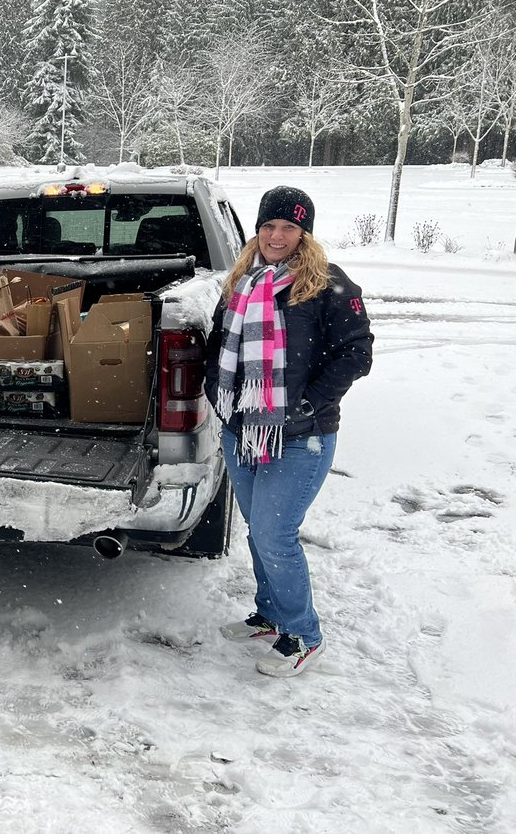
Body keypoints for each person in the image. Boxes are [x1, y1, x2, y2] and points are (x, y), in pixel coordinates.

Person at [205, 186, 373, 677]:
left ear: (304, 234)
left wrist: (306, 405)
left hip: (301, 434)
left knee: (275, 534)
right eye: (268, 226)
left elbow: (357, 353)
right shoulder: (242, 281)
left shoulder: (327, 285)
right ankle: (271, 614)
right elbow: (218, 344)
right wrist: (218, 394)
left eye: (288, 228)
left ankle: (303, 635)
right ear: (257, 230)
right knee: (259, 529)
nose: (276, 236)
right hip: (244, 429)